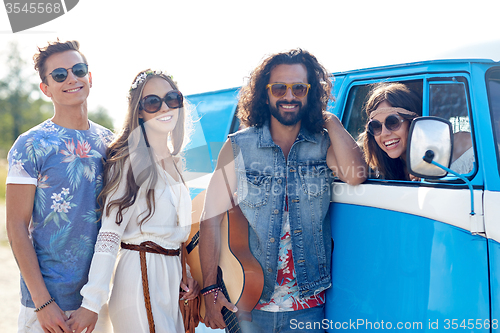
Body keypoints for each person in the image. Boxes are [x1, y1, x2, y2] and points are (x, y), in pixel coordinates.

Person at [199, 49, 367, 332]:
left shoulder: (323, 145)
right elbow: (210, 218)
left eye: (299, 88)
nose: (289, 96)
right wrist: (209, 290)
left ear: (310, 93)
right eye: (279, 87)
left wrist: (330, 120)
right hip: (248, 303)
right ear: (265, 94)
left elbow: (356, 176)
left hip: (308, 307)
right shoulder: (238, 146)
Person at [67, 69, 200, 333]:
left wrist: (187, 273)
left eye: (172, 99)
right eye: (153, 102)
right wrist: (92, 303)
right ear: (139, 111)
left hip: (171, 284)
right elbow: (109, 234)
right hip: (139, 280)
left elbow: (172, 234)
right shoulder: (129, 161)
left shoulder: (176, 164)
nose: (164, 108)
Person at [6, 40, 113, 333]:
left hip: (96, 301)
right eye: (59, 75)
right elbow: (16, 225)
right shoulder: (29, 145)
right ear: (45, 88)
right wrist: (42, 302)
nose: (72, 79)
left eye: (78, 70)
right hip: (46, 306)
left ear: (89, 77)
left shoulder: (110, 143)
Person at [360, 82, 422, 180]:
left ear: (413, 123)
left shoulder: (443, 162)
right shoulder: (371, 172)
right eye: (376, 126)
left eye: (393, 122)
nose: (384, 133)